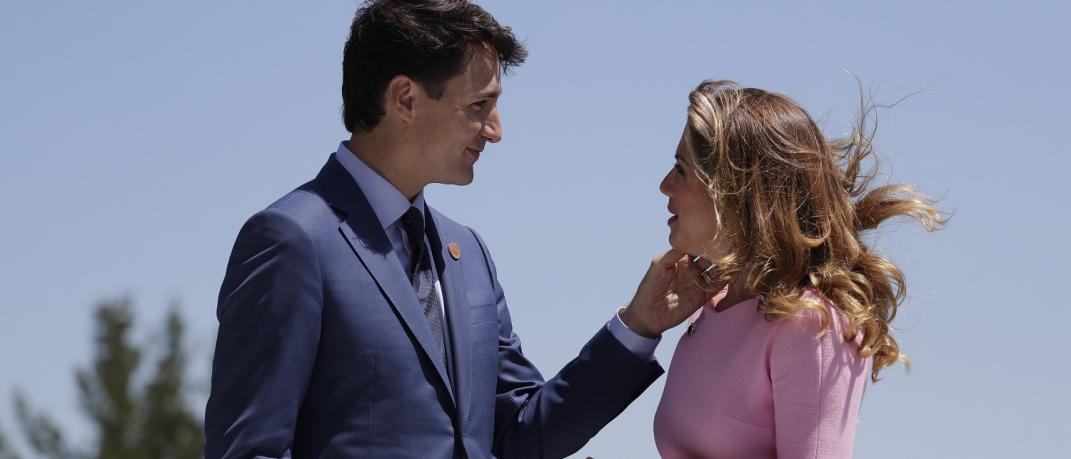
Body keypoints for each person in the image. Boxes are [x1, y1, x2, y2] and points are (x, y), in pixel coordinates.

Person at [203, 1, 706, 458]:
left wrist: (638, 326)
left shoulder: (468, 253)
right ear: (404, 99)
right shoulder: (291, 241)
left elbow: (520, 435)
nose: (496, 130)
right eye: (478, 106)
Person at [652, 80, 944, 458]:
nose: (664, 186)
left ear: (737, 189)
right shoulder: (710, 309)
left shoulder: (814, 325)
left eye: (681, 169)